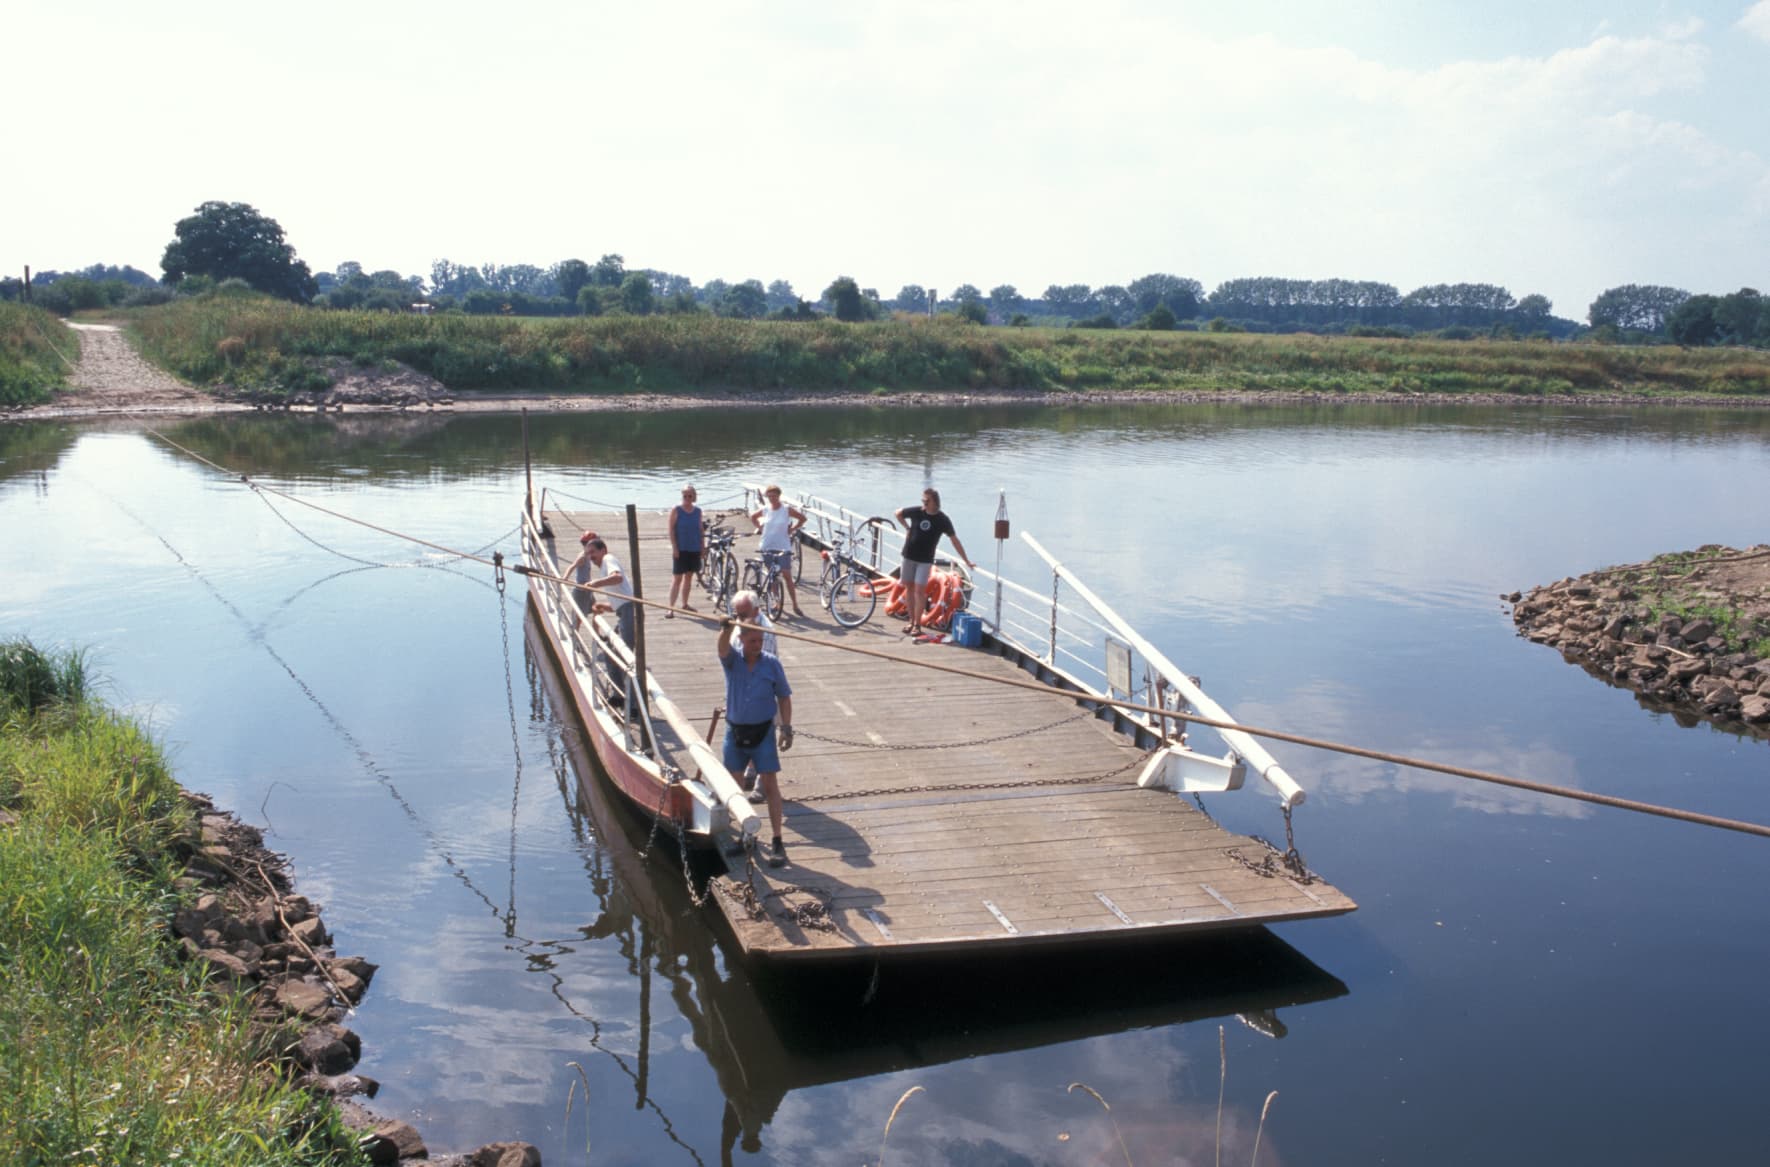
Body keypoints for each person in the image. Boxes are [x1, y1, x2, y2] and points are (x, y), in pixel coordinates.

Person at [718, 615, 795, 867]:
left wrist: (786, 727)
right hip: (736, 730)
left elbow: (784, 696)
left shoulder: (772, 664)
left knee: (770, 784)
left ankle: (777, 841)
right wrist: (725, 628)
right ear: (741, 640)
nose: (757, 644)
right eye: (752, 640)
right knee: (735, 785)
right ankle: (745, 833)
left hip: (763, 732)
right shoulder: (733, 661)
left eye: (760, 640)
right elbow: (721, 648)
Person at [893, 487, 975, 635]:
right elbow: (898, 513)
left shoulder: (942, 520)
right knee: (909, 589)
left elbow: (954, 540)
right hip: (909, 556)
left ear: (935, 502)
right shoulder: (917, 511)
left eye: (926, 501)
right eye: (922, 500)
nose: (923, 503)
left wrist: (966, 561)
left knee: (919, 591)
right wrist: (907, 528)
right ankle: (911, 622)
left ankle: (917, 625)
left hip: (925, 560)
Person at [727, 589, 777, 804]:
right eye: (737, 613)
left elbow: (760, 664)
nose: (739, 617)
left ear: (756, 610)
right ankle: (749, 772)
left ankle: (762, 785)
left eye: (743, 613)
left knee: (762, 737)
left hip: (760, 690)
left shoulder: (763, 630)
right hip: (740, 689)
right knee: (743, 736)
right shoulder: (740, 623)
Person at [749, 484, 807, 617]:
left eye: (774, 496)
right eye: (769, 496)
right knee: (772, 577)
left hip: (782, 546)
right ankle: (777, 602)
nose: (772, 499)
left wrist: (793, 529)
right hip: (767, 545)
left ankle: (795, 604)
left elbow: (802, 518)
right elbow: (753, 517)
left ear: (779, 496)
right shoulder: (766, 509)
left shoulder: (786, 509)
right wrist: (760, 527)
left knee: (787, 575)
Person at [666, 484, 703, 618]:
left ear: (694, 496)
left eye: (690, 495)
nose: (687, 498)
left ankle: (685, 603)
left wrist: (702, 547)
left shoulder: (698, 511)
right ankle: (670, 608)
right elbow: (670, 529)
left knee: (689, 577)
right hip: (681, 549)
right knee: (677, 578)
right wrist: (675, 547)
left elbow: (700, 530)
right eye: (685, 496)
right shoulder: (677, 510)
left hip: (694, 548)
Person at [560, 529, 601, 624]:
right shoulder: (582, 557)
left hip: (587, 588)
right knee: (580, 617)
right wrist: (565, 578)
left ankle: (597, 633)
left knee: (596, 609)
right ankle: (575, 636)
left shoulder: (588, 555)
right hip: (581, 590)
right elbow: (572, 566)